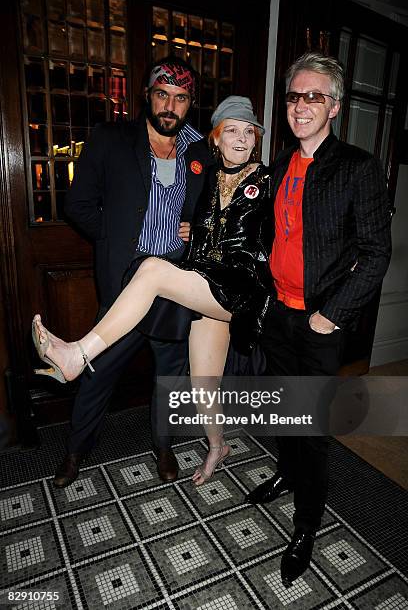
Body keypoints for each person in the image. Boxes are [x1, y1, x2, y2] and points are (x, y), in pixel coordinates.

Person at [32, 95, 273, 486]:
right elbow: (201, 222)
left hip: (239, 289)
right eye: (232, 129)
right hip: (203, 285)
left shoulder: (267, 179)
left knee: (154, 271)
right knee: (201, 384)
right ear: (216, 138)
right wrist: (195, 231)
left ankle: (77, 354)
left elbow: (288, 229)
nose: (241, 138)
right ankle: (217, 447)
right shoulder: (207, 175)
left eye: (249, 131)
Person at [245, 52, 392, 586]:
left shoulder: (357, 167)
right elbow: (274, 232)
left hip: (318, 324)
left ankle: (307, 523)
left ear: (334, 106)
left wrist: (331, 315)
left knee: (311, 429)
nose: (300, 106)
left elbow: (377, 253)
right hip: (277, 316)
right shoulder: (281, 162)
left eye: (313, 96)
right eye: (293, 96)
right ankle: (286, 474)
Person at [49, 56, 213, 488]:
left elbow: (210, 210)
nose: (170, 107)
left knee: (170, 376)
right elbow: (77, 205)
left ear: (189, 102)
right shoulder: (112, 138)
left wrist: (197, 229)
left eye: (180, 98)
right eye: (163, 95)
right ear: (147, 96)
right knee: (98, 368)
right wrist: (117, 235)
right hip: (127, 281)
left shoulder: (199, 150)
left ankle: (164, 446)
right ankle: (76, 450)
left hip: (176, 280)